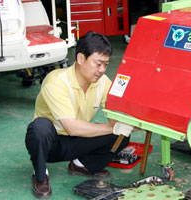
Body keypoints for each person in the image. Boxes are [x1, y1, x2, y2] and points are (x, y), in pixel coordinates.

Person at [25, 31, 134, 199]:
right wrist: (113, 126)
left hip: (78, 140)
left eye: (106, 64)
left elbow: (115, 116)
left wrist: (130, 122)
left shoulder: (103, 82)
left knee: (122, 135)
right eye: (98, 64)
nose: (102, 70)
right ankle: (40, 175)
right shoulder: (57, 81)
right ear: (81, 58)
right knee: (39, 127)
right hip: (52, 144)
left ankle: (80, 165)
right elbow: (71, 127)